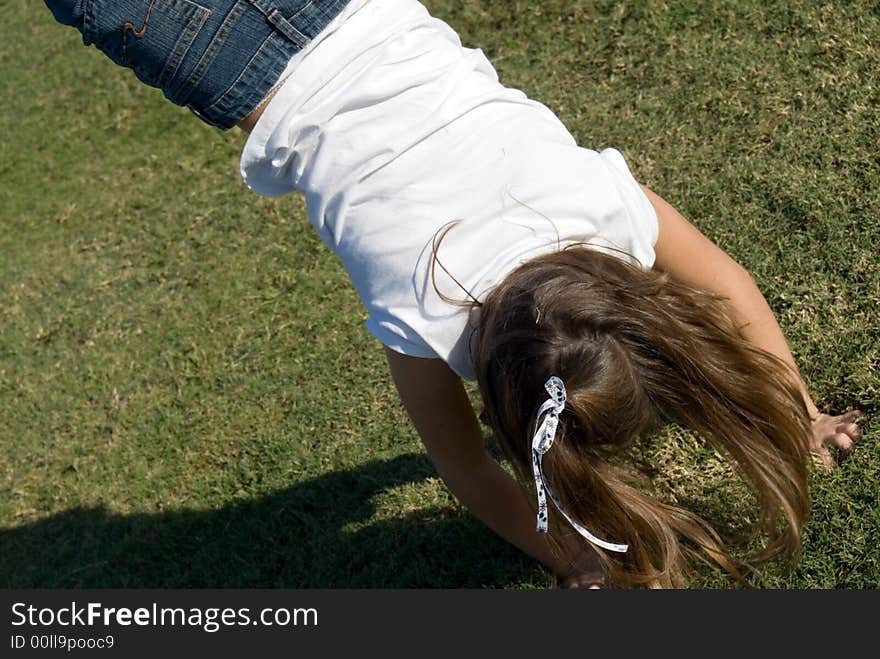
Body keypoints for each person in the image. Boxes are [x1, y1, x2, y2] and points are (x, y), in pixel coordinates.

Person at [42, 0, 862, 588]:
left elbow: (722, 279)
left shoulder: (602, 208)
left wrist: (801, 410)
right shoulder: (419, 318)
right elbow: (464, 470)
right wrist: (571, 554)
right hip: (199, 41)